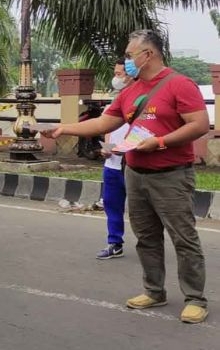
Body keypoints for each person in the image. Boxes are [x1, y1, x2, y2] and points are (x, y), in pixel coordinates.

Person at [40, 29, 210, 324]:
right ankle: (154, 291)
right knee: (146, 237)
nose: (127, 62)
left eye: (131, 55)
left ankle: (195, 298)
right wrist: (63, 129)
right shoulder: (130, 92)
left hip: (171, 175)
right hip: (135, 172)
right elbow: (105, 121)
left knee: (183, 237)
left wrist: (159, 142)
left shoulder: (180, 85)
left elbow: (199, 125)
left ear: (149, 54)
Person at [96, 59, 132, 260]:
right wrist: (107, 148)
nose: (115, 78)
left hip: (133, 166)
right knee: (111, 204)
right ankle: (114, 243)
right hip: (112, 165)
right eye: (116, 73)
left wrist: (125, 150)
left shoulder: (140, 103)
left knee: (142, 211)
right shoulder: (113, 104)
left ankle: (151, 247)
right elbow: (106, 130)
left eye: (119, 74)